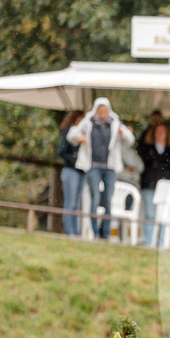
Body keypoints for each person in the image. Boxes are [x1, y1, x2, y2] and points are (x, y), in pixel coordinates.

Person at [67, 98, 136, 240]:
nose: (103, 114)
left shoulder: (115, 123)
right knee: (95, 198)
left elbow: (130, 140)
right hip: (93, 167)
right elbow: (72, 134)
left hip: (110, 167)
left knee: (108, 200)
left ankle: (105, 233)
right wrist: (79, 137)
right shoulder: (88, 122)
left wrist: (123, 134)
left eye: (105, 111)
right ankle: (95, 233)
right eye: (100, 111)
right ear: (96, 111)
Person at [138, 122, 170, 247]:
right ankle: (148, 242)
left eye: (163, 131)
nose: (160, 134)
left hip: (165, 187)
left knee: (163, 216)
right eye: (158, 131)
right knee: (150, 214)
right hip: (150, 185)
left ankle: (162, 243)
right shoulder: (147, 149)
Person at [57, 110, 85, 237]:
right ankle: (70, 232)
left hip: (81, 172)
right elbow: (61, 151)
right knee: (71, 203)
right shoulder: (69, 132)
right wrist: (76, 160)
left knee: (77, 204)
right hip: (71, 170)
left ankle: (76, 232)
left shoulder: (83, 134)